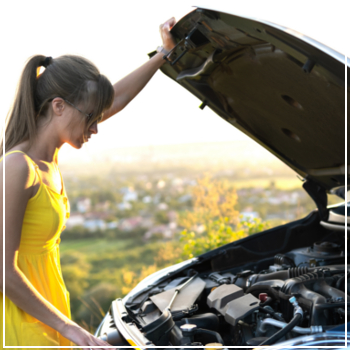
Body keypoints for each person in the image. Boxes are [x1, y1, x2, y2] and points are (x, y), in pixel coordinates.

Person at [0, 18, 176, 348]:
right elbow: (1, 271)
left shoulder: (47, 158)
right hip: (22, 324)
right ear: (58, 107)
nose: (95, 128)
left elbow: (117, 99)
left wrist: (163, 54)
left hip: (50, 313)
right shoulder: (17, 167)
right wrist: (72, 329)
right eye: (90, 119)